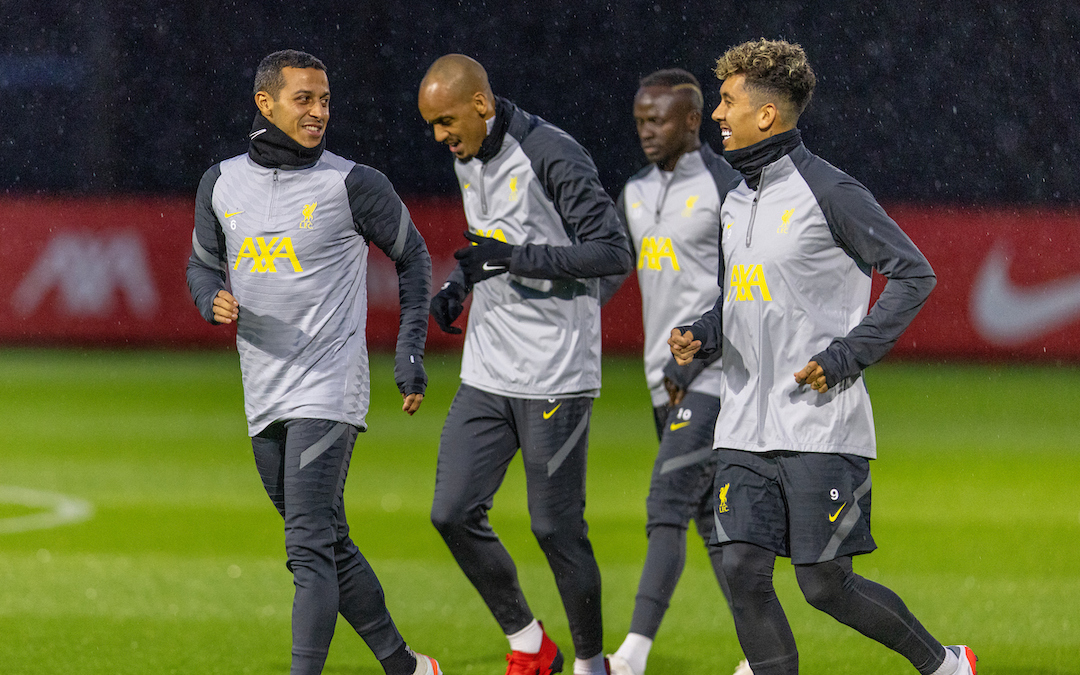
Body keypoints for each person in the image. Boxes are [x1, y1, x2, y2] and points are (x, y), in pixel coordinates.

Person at [668, 39, 976, 675]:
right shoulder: (736, 201)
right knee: (742, 571)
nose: (715, 114)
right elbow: (744, 300)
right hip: (742, 426)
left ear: (767, 115)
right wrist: (705, 330)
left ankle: (945, 665)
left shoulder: (831, 191)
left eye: (726, 101)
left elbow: (914, 274)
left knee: (824, 585)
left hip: (818, 424)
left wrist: (846, 356)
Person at [186, 49, 441, 675]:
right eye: (305, 99)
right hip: (262, 386)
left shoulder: (352, 183)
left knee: (305, 549)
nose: (319, 112)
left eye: (325, 100)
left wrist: (410, 350)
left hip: (328, 385)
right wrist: (206, 297)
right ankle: (407, 667)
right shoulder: (221, 183)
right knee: (326, 539)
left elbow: (415, 258)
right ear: (265, 104)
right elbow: (200, 262)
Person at [418, 54, 633, 675]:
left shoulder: (551, 153)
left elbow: (611, 252)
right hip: (487, 369)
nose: (440, 137)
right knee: (451, 512)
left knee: (555, 529)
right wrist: (462, 283)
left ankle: (592, 666)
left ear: (481, 104)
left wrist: (514, 260)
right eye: (431, 125)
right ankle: (530, 642)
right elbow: (492, 241)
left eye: (446, 121)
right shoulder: (469, 154)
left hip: (556, 374)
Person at [600, 68, 750, 675]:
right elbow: (607, 270)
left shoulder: (727, 189)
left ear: (692, 120)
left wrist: (697, 357)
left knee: (666, 501)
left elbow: (743, 288)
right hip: (659, 381)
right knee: (710, 521)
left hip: (713, 378)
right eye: (639, 121)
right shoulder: (635, 191)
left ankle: (630, 658)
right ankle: (759, 655)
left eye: (657, 120)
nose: (646, 132)